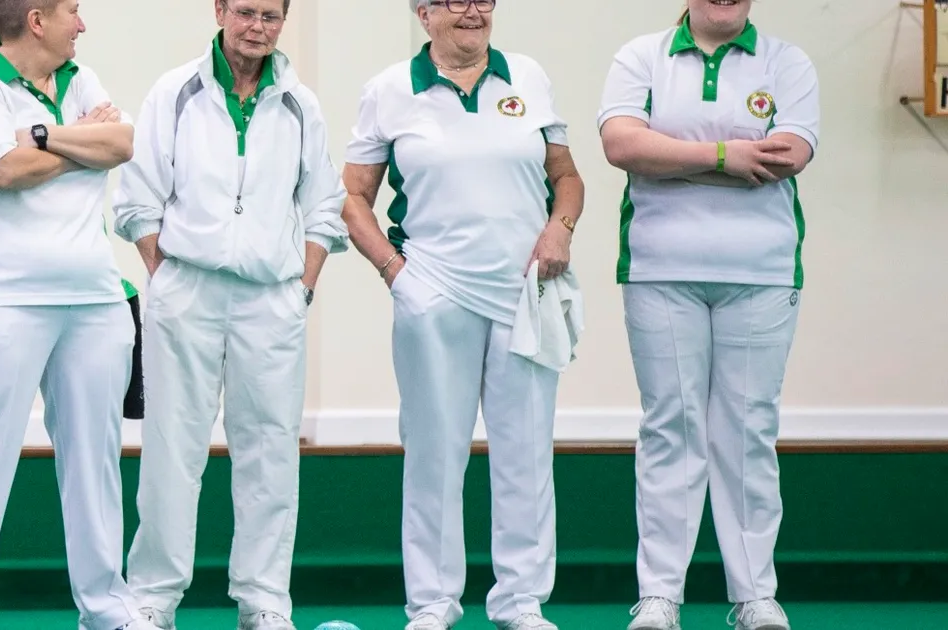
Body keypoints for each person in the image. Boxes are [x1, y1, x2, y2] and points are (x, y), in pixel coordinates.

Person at [340, 1, 586, 629]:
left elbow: (567, 176)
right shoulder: (389, 90)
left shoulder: (528, 76)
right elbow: (352, 197)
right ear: (424, 14)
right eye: (454, 0)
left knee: (526, 454)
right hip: (434, 294)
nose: (472, 11)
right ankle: (431, 605)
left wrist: (560, 230)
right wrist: (395, 273)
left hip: (523, 293)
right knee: (433, 453)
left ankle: (521, 604)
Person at [111, 0, 349, 628]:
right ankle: (152, 600)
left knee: (271, 451)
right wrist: (166, 276)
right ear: (219, 10)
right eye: (246, 12)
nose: (258, 28)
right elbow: (137, 200)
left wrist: (302, 287)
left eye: (271, 16)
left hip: (272, 299)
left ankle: (264, 602)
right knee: (170, 448)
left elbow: (325, 206)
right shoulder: (176, 92)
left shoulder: (302, 104)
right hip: (185, 291)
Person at [0, 1, 155, 630]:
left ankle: (107, 610)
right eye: (73, 11)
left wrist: (43, 136)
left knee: (95, 461)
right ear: (36, 20)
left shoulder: (83, 79)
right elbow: (2, 169)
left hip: (96, 300)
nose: (84, 24)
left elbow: (125, 142)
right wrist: (82, 143)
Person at [597, 1, 819, 629]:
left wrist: (672, 154)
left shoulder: (787, 61)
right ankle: (660, 594)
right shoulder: (640, 55)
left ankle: (754, 596)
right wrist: (725, 157)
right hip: (660, 269)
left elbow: (788, 155)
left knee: (747, 430)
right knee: (671, 427)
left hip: (763, 271)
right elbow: (621, 144)